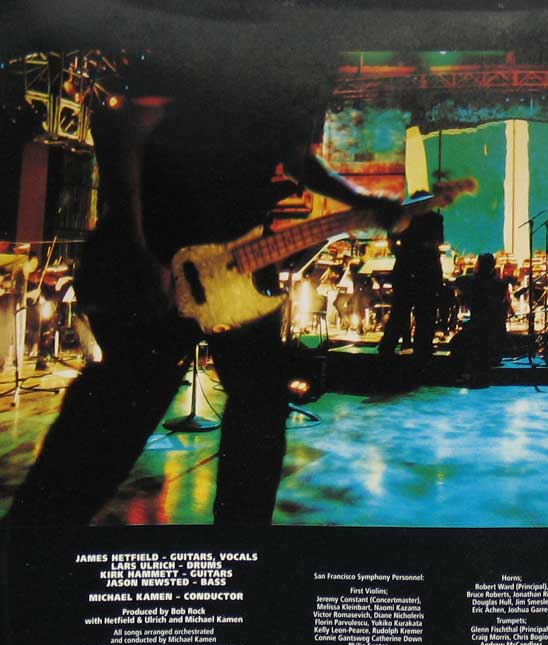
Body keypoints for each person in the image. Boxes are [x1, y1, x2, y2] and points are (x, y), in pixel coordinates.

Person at [4, 57, 400, 528]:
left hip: (233, 264)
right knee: (122, 411)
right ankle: (34, 543)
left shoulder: (292, 78)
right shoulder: (213, 53)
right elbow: (123, 125)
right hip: (162, 255)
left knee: (258, 404)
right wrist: (134, 241)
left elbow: (297, 159)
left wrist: (363, 203)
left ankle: (240, 547)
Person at [378, 209, 444, 364]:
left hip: (406, 270)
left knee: (400, 311)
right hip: (427, 271)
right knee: (425, 313)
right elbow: (438, 241)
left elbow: (391, 239)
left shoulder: (403, 217)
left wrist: (401, 254)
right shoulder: (435, 219)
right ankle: (423, 347)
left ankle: (388, 346)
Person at [450, 252, 510, 373]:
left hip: (477, 327)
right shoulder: (502, 285)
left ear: (478, 265)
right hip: (495, 331)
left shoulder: (467, 281)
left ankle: (462, 373)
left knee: (454, 344)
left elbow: (456, 283)